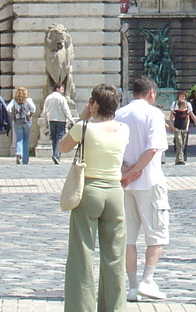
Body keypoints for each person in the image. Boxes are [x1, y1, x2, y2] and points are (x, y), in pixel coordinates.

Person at [60, 83, 129, 312]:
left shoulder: (85, 127)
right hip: (115, 193)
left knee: (82, 254)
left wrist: (83, 116)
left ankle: (81, 308)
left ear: (95, 104)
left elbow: (63, 147)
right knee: (115, 256)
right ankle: (115, 307)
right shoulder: (123, 128)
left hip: (89, 191)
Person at [115, 75, 169, 302]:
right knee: (156, 233)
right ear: (151, 93)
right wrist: (136, 170)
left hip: (125, 184)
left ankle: (132, 285)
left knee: (129, 237)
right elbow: (153, 148)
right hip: (149, 180)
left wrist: (126, 171)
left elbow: (114, 148)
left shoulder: (120, 114)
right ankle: (148, 280)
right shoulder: (153, 113)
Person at [42, 82, 75, 164]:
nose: (63, 91)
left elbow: (45, 111)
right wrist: (71, 120)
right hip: (60, 120)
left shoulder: (48, 98)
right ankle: (56, 155)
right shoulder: (61, 98)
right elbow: (66, 110)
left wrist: (45, 122)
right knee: (60, 138)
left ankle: (55, 154)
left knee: (54, 138)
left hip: (51, 120)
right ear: (57, 89)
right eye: (62, 89)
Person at [10, 85, 36, 165]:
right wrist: (30, 116)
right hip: (26, 121)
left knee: (19, 139)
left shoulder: (14, 101)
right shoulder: (28, 100)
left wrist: (12, 115)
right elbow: (33, 109)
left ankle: (18, 153)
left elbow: (8, 108)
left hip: (17, 121)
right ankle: (25, 160)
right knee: (26, 140)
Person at [168, 92, 194, 165]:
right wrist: (173, 128)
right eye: (185, 105)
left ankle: (180, 159)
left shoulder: (185, 112)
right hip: (177, 129)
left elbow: (188, 119)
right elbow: (170, 120)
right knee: (179, 144)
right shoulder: (175, 112)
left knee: (183, 144)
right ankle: (179, 159)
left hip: (184, 129)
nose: (186, 106)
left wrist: (187, 127)